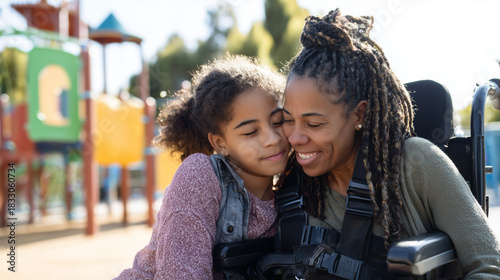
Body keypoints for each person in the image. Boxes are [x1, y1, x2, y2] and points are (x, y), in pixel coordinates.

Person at [274, 8, 500, 279]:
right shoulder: (293, 184)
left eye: (314, 124)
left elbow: (489, 268)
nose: (295, 138)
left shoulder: (418, 164)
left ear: (359, 114)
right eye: (287, 120)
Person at [114, 55, 290, 279]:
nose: (272, 139)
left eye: (278, 122)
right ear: (220, 143)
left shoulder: (294, 187)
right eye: (251, 132)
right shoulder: (200, 176)